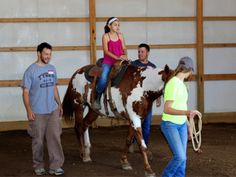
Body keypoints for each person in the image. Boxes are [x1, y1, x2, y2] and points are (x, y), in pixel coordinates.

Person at [21, 42, 64, 176]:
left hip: (52, 110)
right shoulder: (30, 71)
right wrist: (29, 110)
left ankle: (55, 165)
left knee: (55, 138)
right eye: (46, 54)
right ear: (39, 53)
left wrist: (59, 104)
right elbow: (25, 92)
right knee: (38, 140)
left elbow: (54, 87)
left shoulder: (52, 68)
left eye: (50, 54)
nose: (48, 57)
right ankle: (38, 165)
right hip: (38, 112)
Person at [161, 56, 202, 177]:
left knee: (183, 160)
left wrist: (188, 124)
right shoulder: (173, 84)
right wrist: (186, 113)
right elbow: (167, 109)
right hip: (170, 124)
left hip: (181, 125)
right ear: (189, 70)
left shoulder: (183, 85)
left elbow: (182, 106)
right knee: (180, 157)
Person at [129, 43, 160, 153]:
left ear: (147, 53)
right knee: (134, 123)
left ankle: (144, 146)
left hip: (148, 103)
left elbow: (157, 84)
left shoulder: (152, 67)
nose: (140, 54)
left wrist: (158, 98)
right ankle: (131, 143)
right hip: (135, 102)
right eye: (138, 52)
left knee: (146, 126)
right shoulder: (133, 65)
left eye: (142, 52)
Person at [93, 17, 128, 110]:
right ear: (109, 26)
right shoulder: (106, 36)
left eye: (118, 25)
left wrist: (125, 55)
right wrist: (117, 57)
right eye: (115, 25)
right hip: (108, 62)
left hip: (120, 60)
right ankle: (97, 96)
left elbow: (124, 47)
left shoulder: (120, 35)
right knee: (104, 77)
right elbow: (106, 51)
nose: (117, 27)